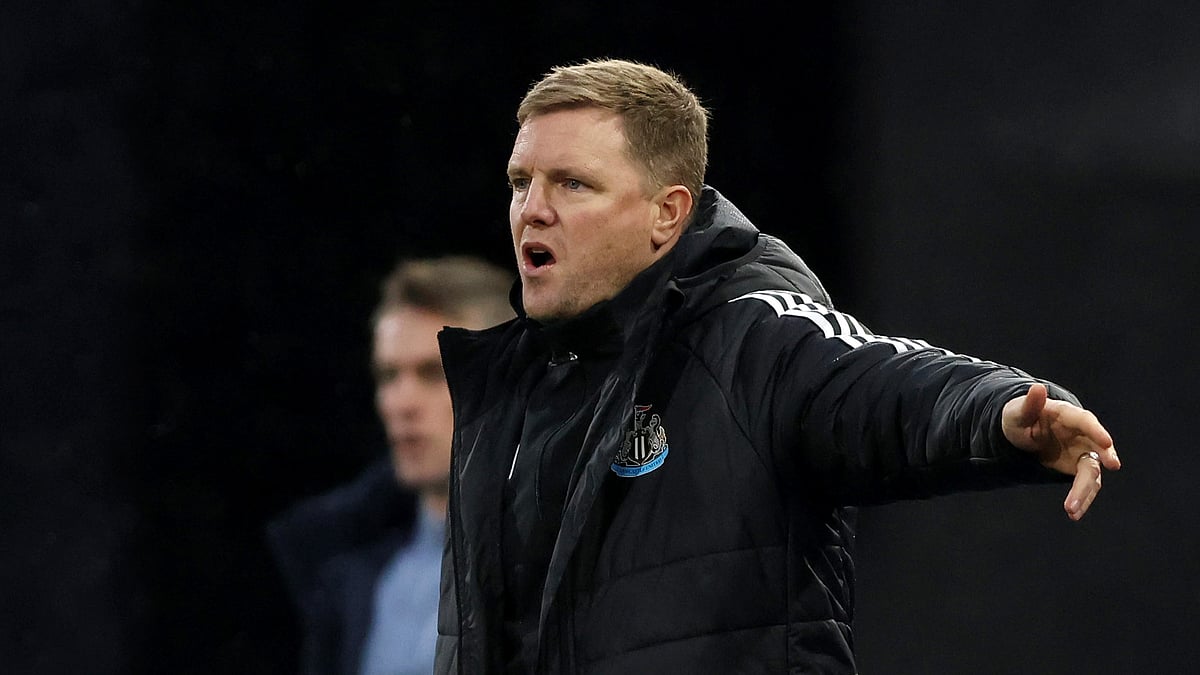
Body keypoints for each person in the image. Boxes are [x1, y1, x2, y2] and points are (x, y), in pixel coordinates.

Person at [433, 59, 1121, 675]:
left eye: (572, 184)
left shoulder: (754, 335)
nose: (533, 210)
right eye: (521, 182)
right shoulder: (510, 386)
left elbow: (880, 382)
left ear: (666, 214)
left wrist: (998, 413)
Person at [267, 255, 515, 675]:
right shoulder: (354, 580)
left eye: (433, 372)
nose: (402, 403)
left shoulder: (566, 564)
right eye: (388, 376)